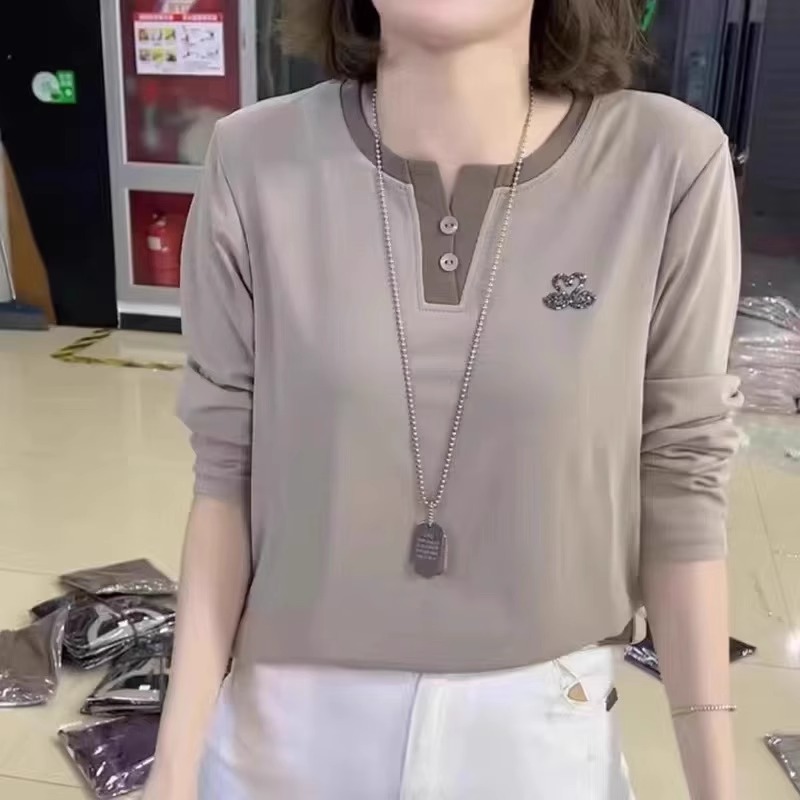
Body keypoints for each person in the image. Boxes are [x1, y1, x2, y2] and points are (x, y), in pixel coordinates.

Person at [143, 1, 742, 798]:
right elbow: (226, 476)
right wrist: (174, 767)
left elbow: (682, 478)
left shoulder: (666, 162)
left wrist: (716, 784)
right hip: (285, 731)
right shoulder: (254, 158)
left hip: (540, 733)